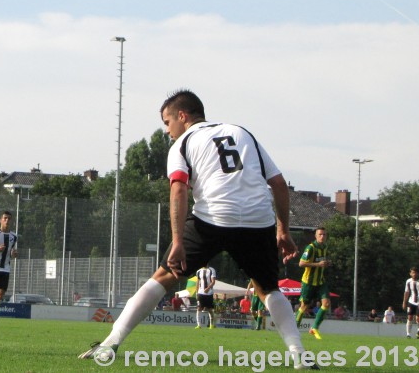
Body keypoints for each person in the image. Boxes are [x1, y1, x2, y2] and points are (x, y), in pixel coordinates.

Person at [79, 90, 316, 369]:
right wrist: (283, 231)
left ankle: (111, 342)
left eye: (167, 123)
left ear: (183, 116)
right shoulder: (242, 132)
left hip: (212, 218)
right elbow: (278, 182)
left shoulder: (184, 142)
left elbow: (178, 188)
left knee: (164, 276)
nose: (167, 131)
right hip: (258, 219)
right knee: (269, 290)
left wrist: (178, 239)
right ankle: (299, 355)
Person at [295, 227, 331, 340]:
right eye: (320, 234)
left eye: (324, 234)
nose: (322, 236)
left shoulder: (325, 247)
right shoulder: (311, 248)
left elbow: (322, 262)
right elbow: (301, 263)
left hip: (320, 281)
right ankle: (294, 329)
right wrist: (317, 264)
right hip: (308, 282)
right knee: (304, 306)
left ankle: (314, 328)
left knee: (326, 304)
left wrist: (327, 263)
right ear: (315, 236)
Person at [403, 267, 419, 338]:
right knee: (410, 317)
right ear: (410, 274)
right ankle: (408, 334)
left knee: (418, 319)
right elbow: (407, 292)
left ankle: (418, 331)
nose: (414, 274)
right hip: (411, 301)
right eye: (413, 272)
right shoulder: (408, 281)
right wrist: (404, 302)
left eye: (415, 272)